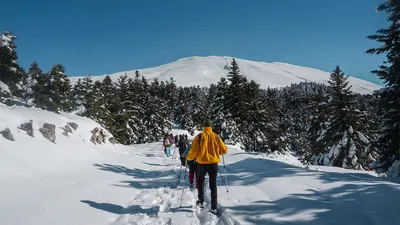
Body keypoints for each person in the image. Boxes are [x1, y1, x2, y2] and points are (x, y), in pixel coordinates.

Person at [186, 119, 228, 213]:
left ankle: (201, 201)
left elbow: (193, 152)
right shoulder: (216, 137)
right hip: (213, 164)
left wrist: (188, 157)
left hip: (201, 164)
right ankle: (214, 207)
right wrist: (218, 151)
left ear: (204, 127)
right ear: (211, 126)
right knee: (213, 185)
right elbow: (224, 150)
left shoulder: (200, 136)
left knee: (200, 182)